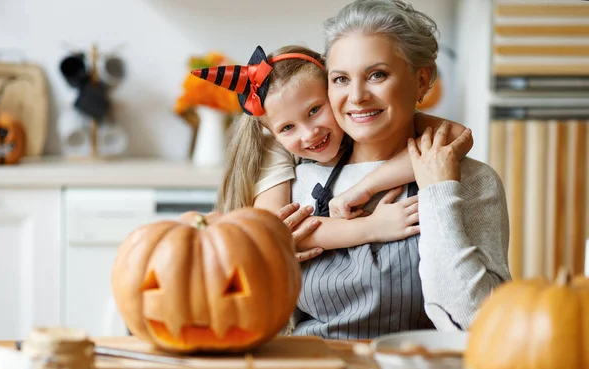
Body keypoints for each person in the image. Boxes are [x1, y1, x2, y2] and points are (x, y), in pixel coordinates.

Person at [286, 0, 511, 338]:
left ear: (421, 81)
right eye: (341, 79)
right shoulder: (301, 180)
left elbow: (478, 323)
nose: (357, 96)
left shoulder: (473, 181)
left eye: (377, 74)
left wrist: (439, 192)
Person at [191, 44, 473, 261]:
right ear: (272, 132)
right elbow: (277, 231)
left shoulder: (361, 119)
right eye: (288, 127)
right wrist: (373, 227)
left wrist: (364, 188)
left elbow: (456, 137)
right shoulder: (272, 145)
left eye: (315, 110)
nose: (309, 132)